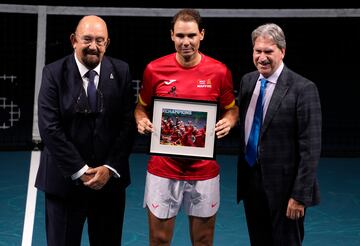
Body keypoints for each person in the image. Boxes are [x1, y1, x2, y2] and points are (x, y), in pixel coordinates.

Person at [135, 8, 239, 246]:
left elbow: (231, 108)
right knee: (159, 240)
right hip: (163, 168)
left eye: (191, 35)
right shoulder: (154, 70)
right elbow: (141, 107)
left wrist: (230, 120)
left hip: (204, 169)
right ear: (172, 35)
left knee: (203, 241)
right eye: (180, 36)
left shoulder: (220, 72)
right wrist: (140, 120)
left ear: (201, 34)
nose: (186, 42)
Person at [35, 15, 135, 246]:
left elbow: (128, 124)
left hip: (108, 186)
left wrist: (108, 169)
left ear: (107, 43)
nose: (93, 46)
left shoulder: (121, 71)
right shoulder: (53, 72)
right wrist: (81, 171)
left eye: (100, 41)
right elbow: (49, 127)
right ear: (73, 40)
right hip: (64, 184)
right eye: (87, 39)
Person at [236, 23, 322, 245]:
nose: (262, 57)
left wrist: (300, 196)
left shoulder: (303, 89)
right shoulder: (247, 81)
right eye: (258, 51)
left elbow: (310, 148)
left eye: (268, 51)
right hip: (252, 184)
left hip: (286, 190)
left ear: (282, 51)